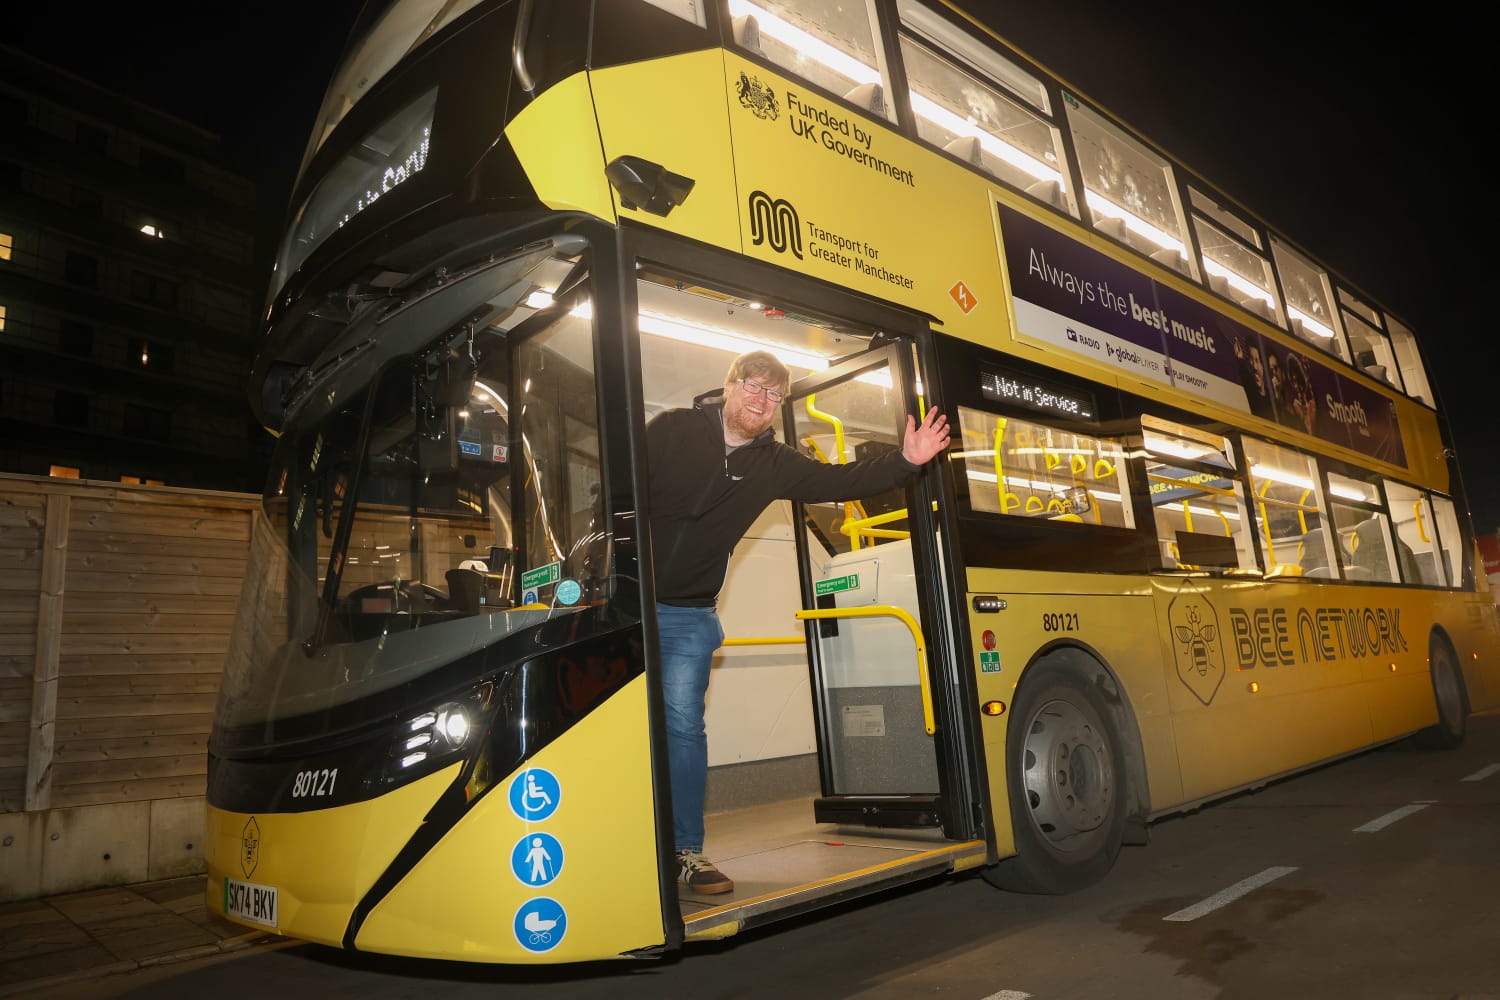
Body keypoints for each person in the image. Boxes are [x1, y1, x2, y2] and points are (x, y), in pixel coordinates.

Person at [645, 350, 950, 894]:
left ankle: (683, 851)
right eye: (753, 387)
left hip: (685, 615)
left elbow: (839, 479)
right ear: (729, 384)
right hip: (624, 606)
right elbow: (614, 489)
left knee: (682, 728)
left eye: (773, 395)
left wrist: (906, 461)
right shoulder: (671, 430)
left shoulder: (775, 463)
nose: (761, 402)